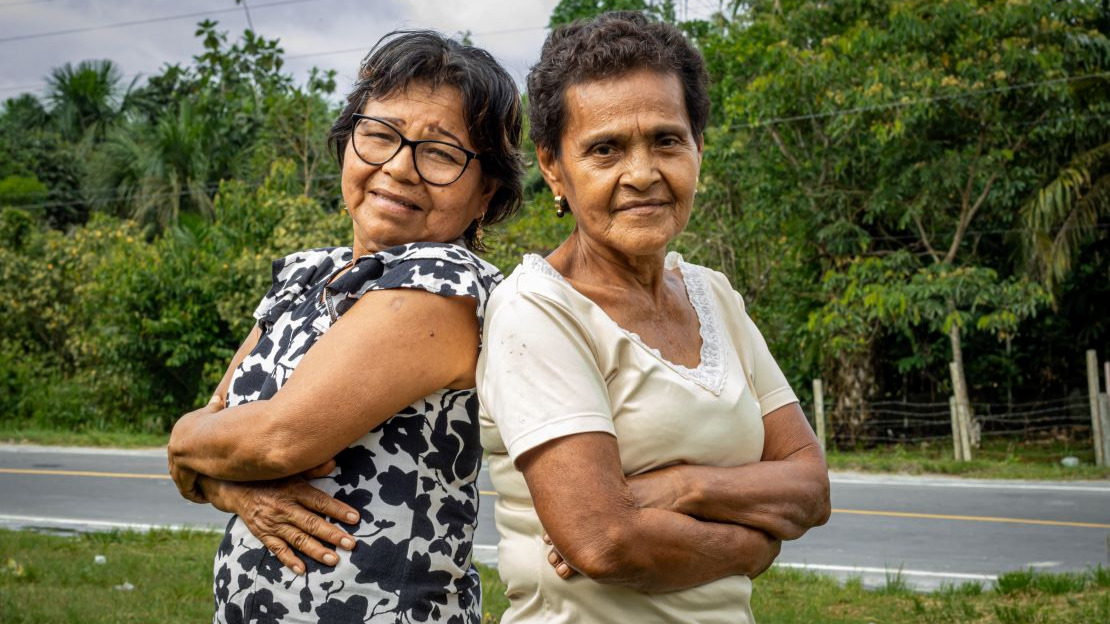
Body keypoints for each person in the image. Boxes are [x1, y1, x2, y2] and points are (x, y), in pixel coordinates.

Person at [476, 11, 831, 624]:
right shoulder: (538, 311)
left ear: (698, 147)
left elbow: (810, 485)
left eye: (667, 139)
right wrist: (755, 546)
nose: (642, 175)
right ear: (553, 166)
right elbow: (607, 543)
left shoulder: (714, 296)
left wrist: (681, 487)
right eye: (605, 149)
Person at [167, 30, 523, 624]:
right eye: (380, 135)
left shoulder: (444, 284)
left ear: (486, 191)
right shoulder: (309, 275)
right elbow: (217, 446)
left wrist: (184, 440)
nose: (399, 167)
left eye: (439, 153)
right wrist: (234, 489)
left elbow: (271, 440)